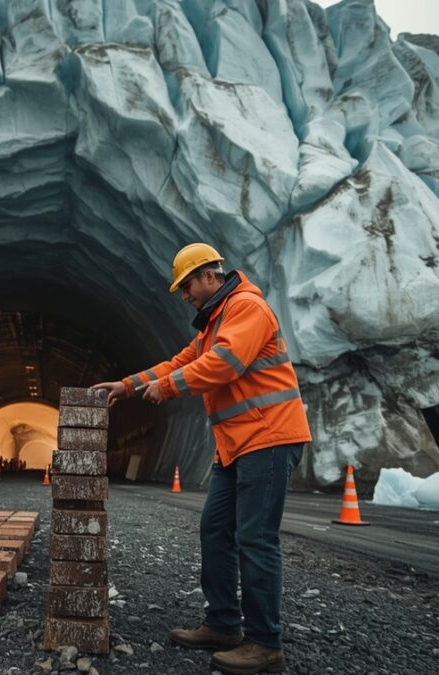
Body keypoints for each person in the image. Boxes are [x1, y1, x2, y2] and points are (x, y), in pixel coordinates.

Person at [92, 243, 311, 675]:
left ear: (210, 276)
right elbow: (179, 362)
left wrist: (169, 388)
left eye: (187, 286)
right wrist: (128, 385)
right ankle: (224, 624)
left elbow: (224, 364)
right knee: (215, 530)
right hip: (236, 444)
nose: (184, 295)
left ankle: (265, 643)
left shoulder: (247, 307)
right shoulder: (214, 323)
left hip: (268, 438)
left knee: (255, 539)